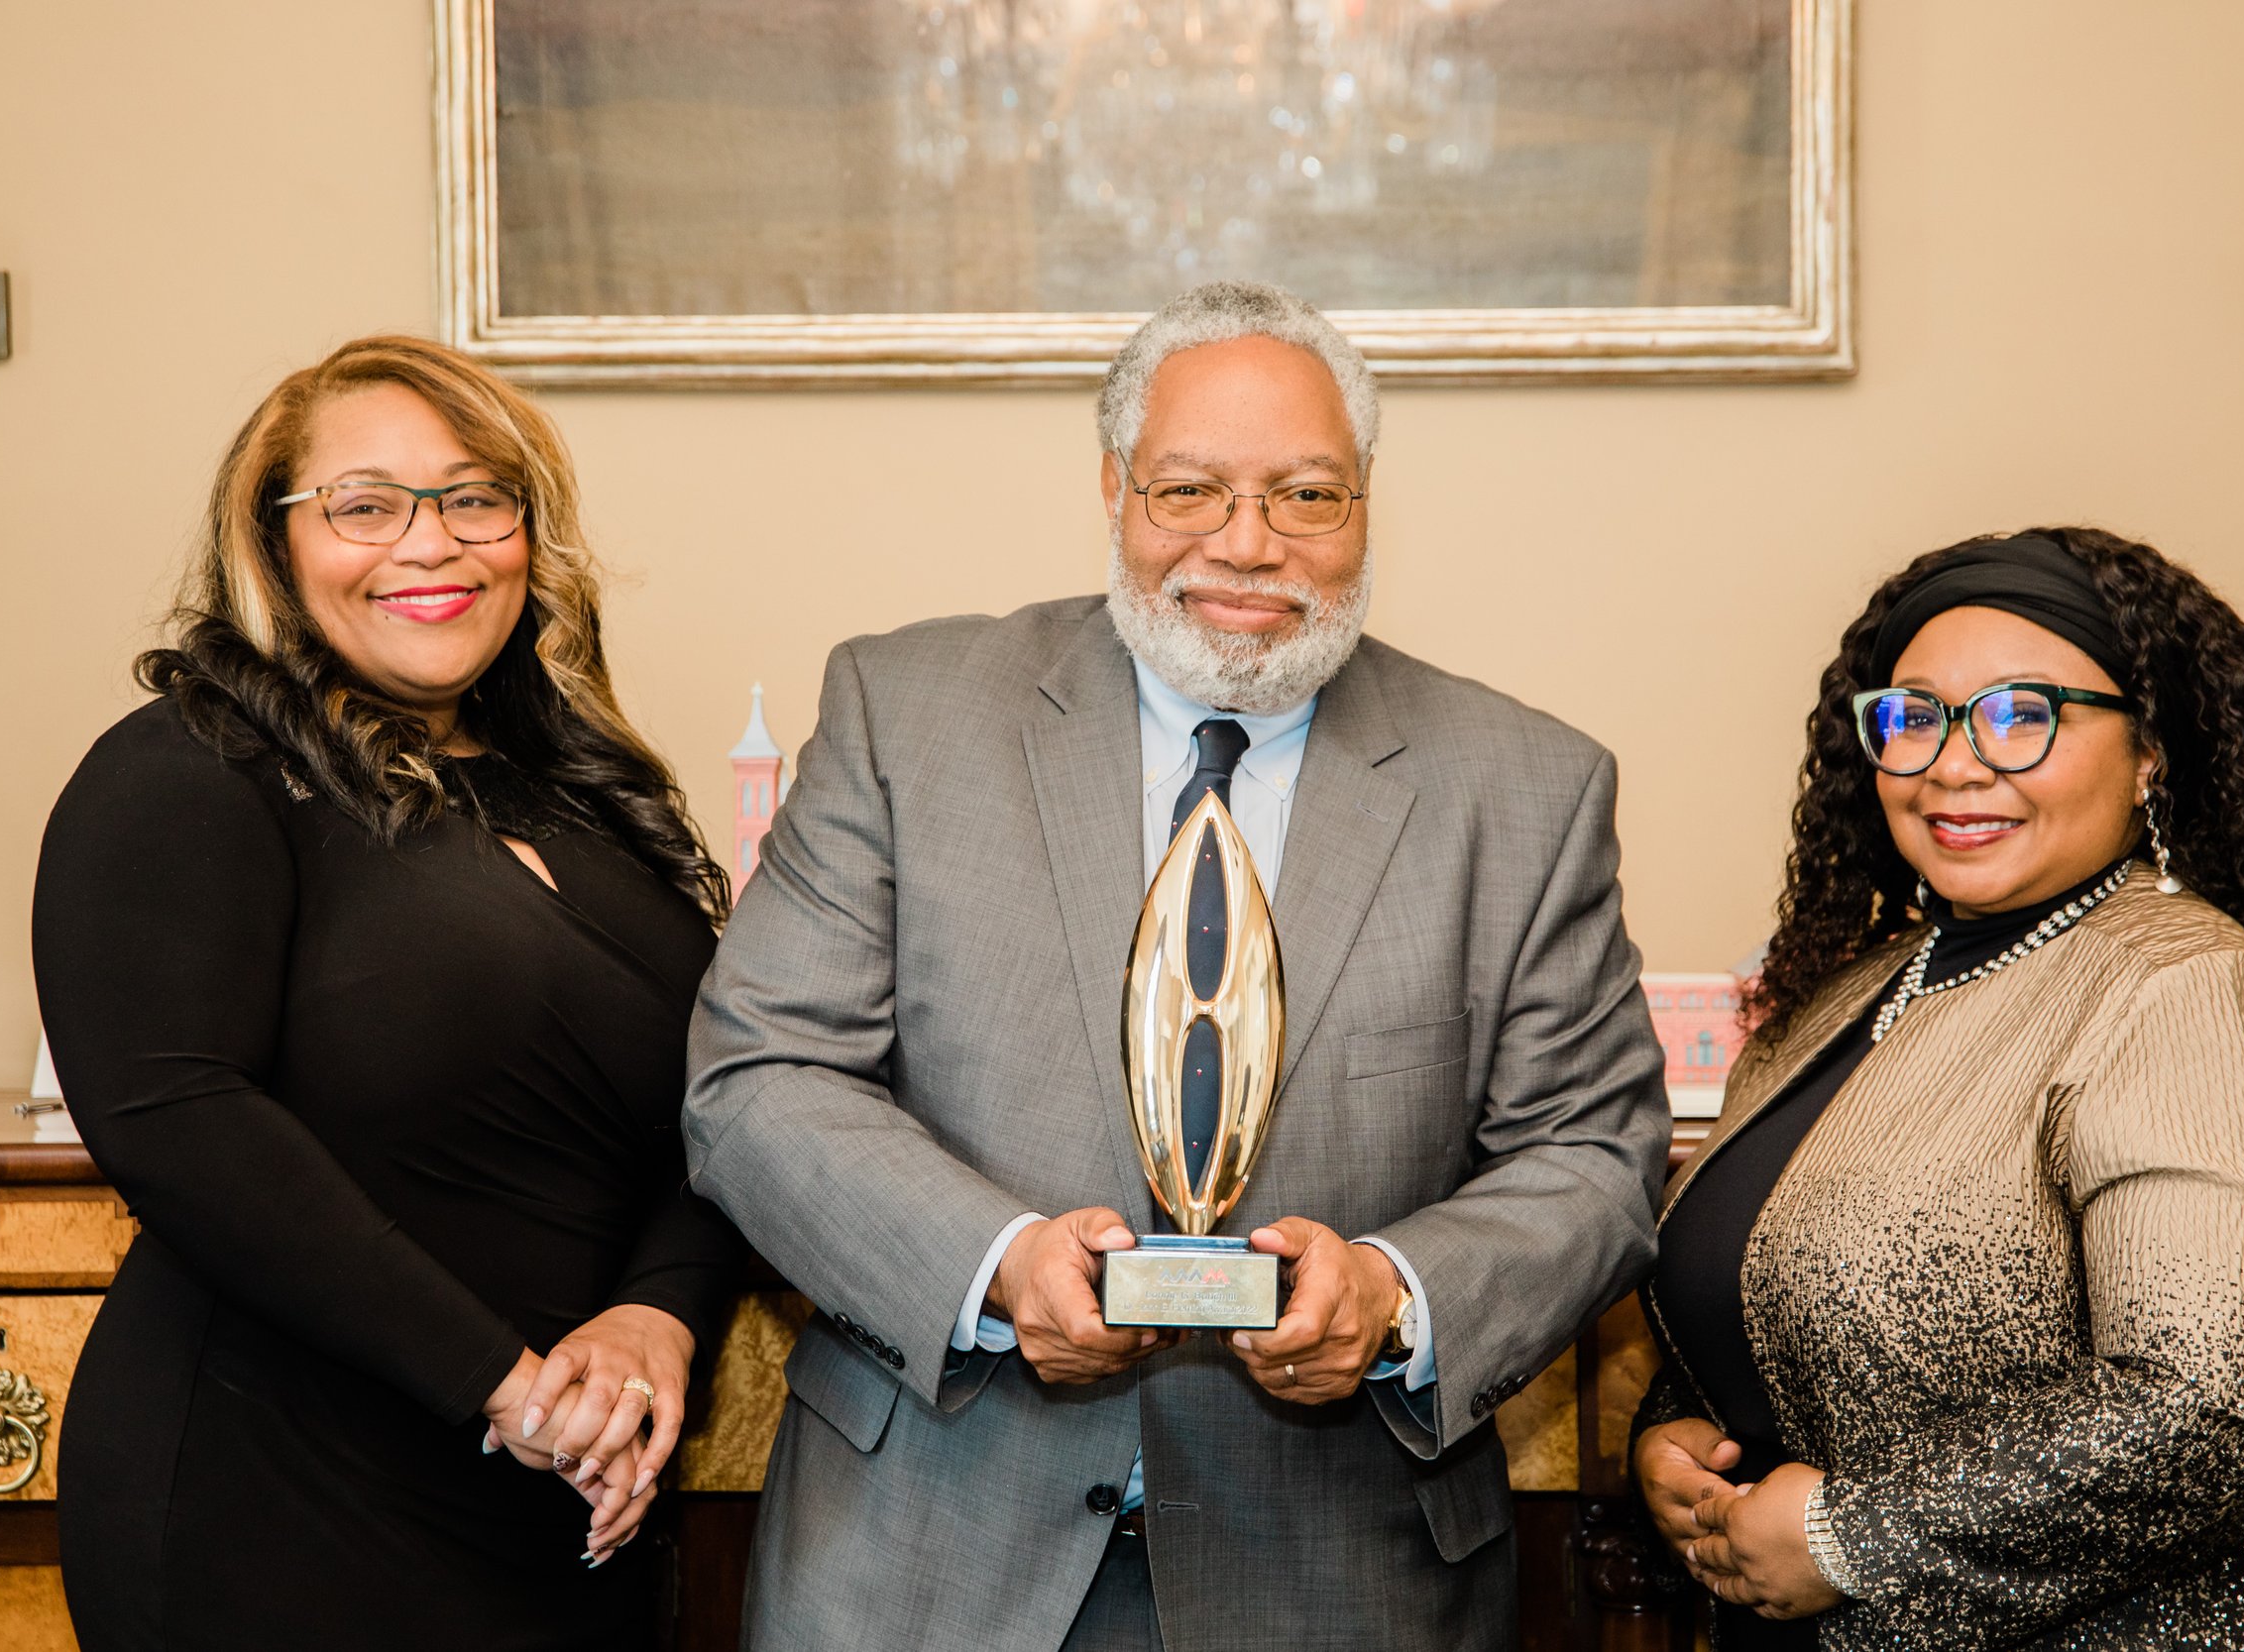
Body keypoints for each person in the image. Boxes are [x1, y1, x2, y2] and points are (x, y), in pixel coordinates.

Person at [684, 280, 1672, 1651]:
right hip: (926, 1557)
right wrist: (997, 1263)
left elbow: (1596, 1152)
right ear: (1113, 487)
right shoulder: (904, 713)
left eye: (1307, 495)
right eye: (1190, 489)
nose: (1248, 545)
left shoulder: (1525, 784)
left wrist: (1393, 1290)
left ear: (1365, 503)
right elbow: (760, 1076)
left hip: (1342, 1575)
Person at [32, 336, 747, 1650]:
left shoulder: (581, 796)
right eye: (364, 504)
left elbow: (720, 1105)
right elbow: (177, 1117)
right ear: (276, 542)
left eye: (477, 496)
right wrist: (499, 1382)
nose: (433, 543)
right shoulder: (193, 765)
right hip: (279, 1485)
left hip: (564, 1489)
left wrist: (658, 1312)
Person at [1630, 528, 2244, 1650]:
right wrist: (1676, 1433)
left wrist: (1847, 1535)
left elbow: (2224, 1401)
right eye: (1911, 716)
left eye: (2023, 713)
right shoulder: (1844, 997)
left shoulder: (2194, 990)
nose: (1954, 763)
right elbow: (1771, 1294)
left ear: (2148, 751)